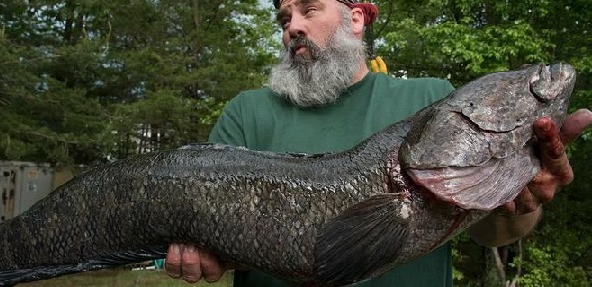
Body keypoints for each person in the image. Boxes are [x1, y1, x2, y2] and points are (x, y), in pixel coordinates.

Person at [164, 0, 592, 286]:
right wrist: (197, 252)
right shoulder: (247, 112)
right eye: (284, 19)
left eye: (310, 9)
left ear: (356, 17)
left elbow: (493, 232)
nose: (293, 26)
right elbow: (207, 245)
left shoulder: (432, 101)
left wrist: (523, 202)